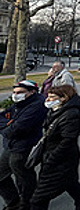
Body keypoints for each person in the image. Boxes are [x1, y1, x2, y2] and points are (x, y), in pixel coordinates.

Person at [30, 85, 80, 210]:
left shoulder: (70, 114)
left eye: (52, 97)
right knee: (70, 183)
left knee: (38, 198)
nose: (48, 99)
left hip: (60, 159)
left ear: (64, 98)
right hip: (56, 157)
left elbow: (67, 141)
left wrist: (52, 158)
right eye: (48, 96)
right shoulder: (56, 110)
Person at [0, 81, 47, 210]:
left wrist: (7, 126)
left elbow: (15, 129)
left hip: (24, 147)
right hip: (11, 145)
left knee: (24, 179)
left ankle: (28, 204)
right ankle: (14, 201)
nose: (15, 95)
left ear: (31, 92)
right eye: (14, 92)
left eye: (20, 93)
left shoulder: (36, 106)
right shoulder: (19, 104)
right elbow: (3, 117)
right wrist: (8, 125)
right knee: (1, 174)